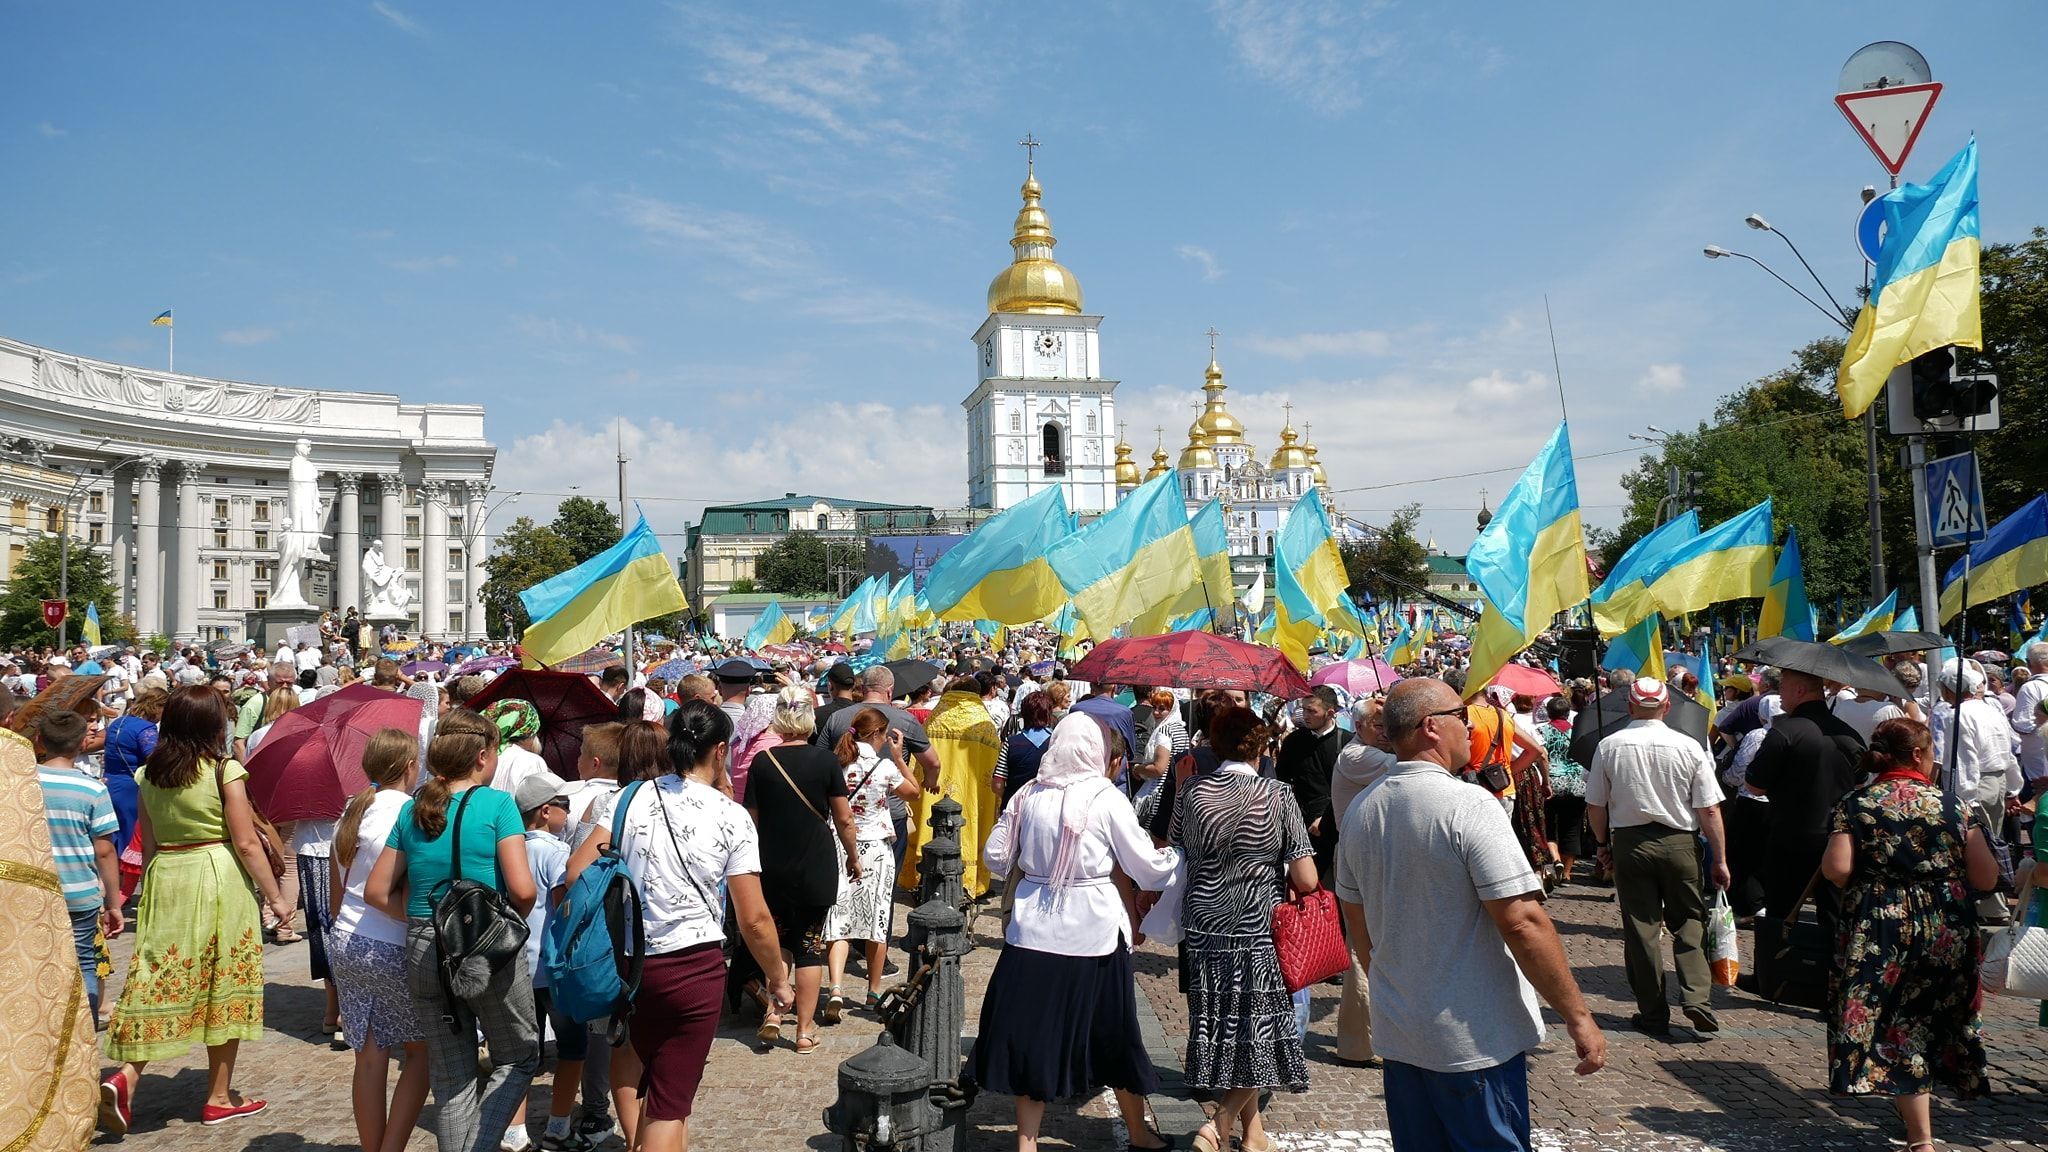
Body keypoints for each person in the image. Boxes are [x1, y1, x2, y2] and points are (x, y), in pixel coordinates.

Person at [1335, 679, 1606, 1151]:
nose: (1470, 727)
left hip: (1404, 1031)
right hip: (1471, 1036)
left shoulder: (1362, 809)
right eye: (1461, 716)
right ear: (1431, 728)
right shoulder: (1470, 805)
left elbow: (1361, 932)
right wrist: (1578, 1015)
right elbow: (1523, 921)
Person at [563, 699, 794, 1152]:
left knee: (644, 1072)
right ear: (721, 750)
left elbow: (575, 871)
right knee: (671, 1102)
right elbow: (754, 918)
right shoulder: (730, 816)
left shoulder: (628, 799)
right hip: (694, 967)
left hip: (630, 965)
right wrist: (778, 978)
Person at [972, 711, 1178, 1152]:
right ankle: (1139, 1133)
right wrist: (1174, 856)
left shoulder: (1027, 794)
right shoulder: (1106, 796)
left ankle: (1026, 1144)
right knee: (1115, 1032)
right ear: (1098, 752)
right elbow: (1146, 867)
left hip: (1032, 930)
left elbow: (994, 856)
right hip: (1094, 931)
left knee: (1033, 1035)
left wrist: (1035, 861)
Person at [100, 685, 292, 1134]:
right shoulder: (224, 770)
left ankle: (127, 1075)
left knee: (160, 976)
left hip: (168, 873)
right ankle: (219, 1096)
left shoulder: (148, 774)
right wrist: (276, 897)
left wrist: (146, 892)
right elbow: (245, 842)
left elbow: (146, 842)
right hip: (216, 872)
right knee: (226, 978)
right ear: (214, 725)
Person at [364, 709, 540, 1152]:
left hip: (424, 942)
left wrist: (423, 920)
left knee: (450, 1078)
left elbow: (376, 891)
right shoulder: (498, 805)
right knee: (518, 1056)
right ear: (482, 756)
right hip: (484, 943)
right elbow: (523, 890)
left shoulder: (415, 810)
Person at [1821, 718, 1996, 1151]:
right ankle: (1919, 1127)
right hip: (1945, 924)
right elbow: (1987, 877)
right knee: (1927, 1017)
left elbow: (1838, 869)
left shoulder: (1856, 802)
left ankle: (1921, 1137)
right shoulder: (1954, 806)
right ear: (1918, 755)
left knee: (1894, 1021)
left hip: (1881, 924)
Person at [1173, 705, 1316, 1152]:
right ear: (1260, 747)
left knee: (1224, 1026)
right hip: (1257, 925)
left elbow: (1175, 851)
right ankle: (1218, 1124)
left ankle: (1253, 1134)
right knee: (1259, 1032)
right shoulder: (1277, 796)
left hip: (1205, 923)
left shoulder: (1193, 791)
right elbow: (1307, 878)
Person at [1585, 677, 1729, 1038]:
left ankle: (1652, 1012)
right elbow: (1709, 809)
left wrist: (1602, 844)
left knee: (1641, 930)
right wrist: (1721, 858)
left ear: (1631, 707)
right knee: (1689, 921)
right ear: (1667, 707)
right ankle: (1697, 998)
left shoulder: (1609, 745)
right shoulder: (1689, 745)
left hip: (1631, 843)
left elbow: (1595, 805)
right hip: (1679, 841)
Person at [328, 728, 431, 1152]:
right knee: (422, 1054)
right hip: (390, 941)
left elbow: (336, 895)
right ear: (411, 767)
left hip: (346, 938)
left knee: (369, 1056)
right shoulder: (409, 813)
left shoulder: (351, 810)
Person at [743, 686, 859, 1053]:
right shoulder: (825, 762)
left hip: (772, 861)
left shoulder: (763, 762)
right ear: (809, 718)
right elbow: (844, 819)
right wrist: (854, 856)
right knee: (810, 945)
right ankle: (805, 1029)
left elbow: (752, 820)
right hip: (816, 862)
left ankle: (775, 1013)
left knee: (777, 940)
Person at [1746, 668, 1866, 943]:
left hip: (1790, 836)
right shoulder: (1849, 734)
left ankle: (1773, 976)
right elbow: (1860, 782)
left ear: (1800, 690)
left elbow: (1754, 785)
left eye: (1784, 687)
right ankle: (1832, 976)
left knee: (1780, 910)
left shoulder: (1784, 731)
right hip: (1838, 838)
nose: (1780, 694)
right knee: (1834, 915)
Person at [821, 706, 922, 1018]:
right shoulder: (884, 768)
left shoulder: (835, 765)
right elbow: (914, 793)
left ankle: (836, 987)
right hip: (875, 847)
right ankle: (873, 990)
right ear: (878, 734)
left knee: (838, 919)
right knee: (876, 919)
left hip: (839, 844)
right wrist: (900, 757)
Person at [505, 769, 584, 1152]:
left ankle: (514, 1130)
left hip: (516, 964)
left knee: (521, 1052)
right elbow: (562, 907)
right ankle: (558, 1125)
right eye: (564, 807)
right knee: (572, 1048)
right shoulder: (556, 852)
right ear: (546, 811)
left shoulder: (509, 848)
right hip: (552, 965)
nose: (568, 815)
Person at [35, 709, 123, 1016]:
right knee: (85, 960)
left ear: (39, 740)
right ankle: (81, 1031)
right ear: (82, 745)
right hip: (79, 891)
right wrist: (113, 902)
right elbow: (105, 851)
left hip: (34, 891)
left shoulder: (22, 783)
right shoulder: (93, 789)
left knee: (37, 960)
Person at [100, 685, 164, 891]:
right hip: (132, 787)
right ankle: (124, 891)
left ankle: (112, 885)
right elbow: (153, 758)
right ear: (157, 707)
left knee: (114, 836)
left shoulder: (119, 722)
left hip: (111, 783)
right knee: (133, 838)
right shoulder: (146, 729)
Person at [1539, 695, 1588, 885]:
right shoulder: (1578, 732)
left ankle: (1556, 859)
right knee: (1572, 828)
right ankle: (1567, 873)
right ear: (1568, 714)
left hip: (1552, 782)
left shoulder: (1543, 732)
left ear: (1549, 713)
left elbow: (1541, 756)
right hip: (1576, 783)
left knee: (1549, 825)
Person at [994, 690, 1056, 805]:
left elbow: (997, 785)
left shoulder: (1011, 743)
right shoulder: (1056, 743)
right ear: (1048, 714)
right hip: (1046, 807)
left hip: (1014, 808)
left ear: (1024, 713)